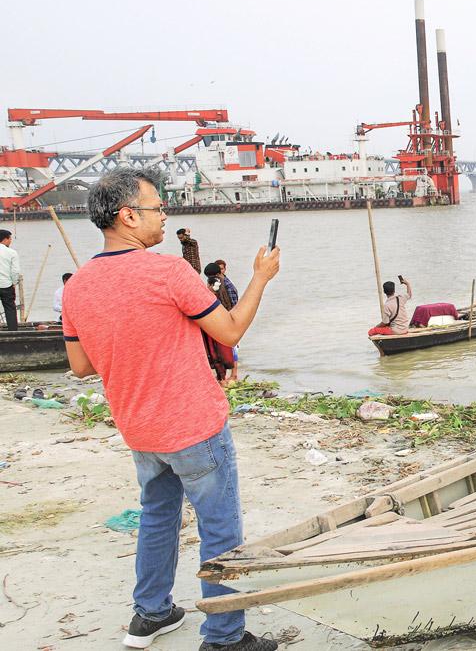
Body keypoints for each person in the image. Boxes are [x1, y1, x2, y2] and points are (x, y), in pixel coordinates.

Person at [61, 167, 281, 651]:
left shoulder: (77, 285)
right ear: (128, 216)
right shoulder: (168, 271)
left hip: (138, 428)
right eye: (158, 207)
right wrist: (260, 278)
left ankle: (151, 613)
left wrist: (130, 341)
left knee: (157, 517)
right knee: (220, 527)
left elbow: (79, 365)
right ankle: (224, 636)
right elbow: (230, 331)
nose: (165, 215)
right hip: (194, 424)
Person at [204, 263, 238, 385]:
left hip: (227, 322)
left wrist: (232, 323)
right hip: (219, 323)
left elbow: (234, 306)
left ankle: (233, 375)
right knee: (219, 351)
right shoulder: (215, 285)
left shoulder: (228, 287)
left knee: (230, 349)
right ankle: (223, 377)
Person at [0, 229, 20, 330]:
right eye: (10, 238)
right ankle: (13, 330)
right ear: (5, 239)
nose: (10, 241)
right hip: (6, 285)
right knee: (10, 308)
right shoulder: (12, 253)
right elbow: (15, 271)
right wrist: (14, 283)